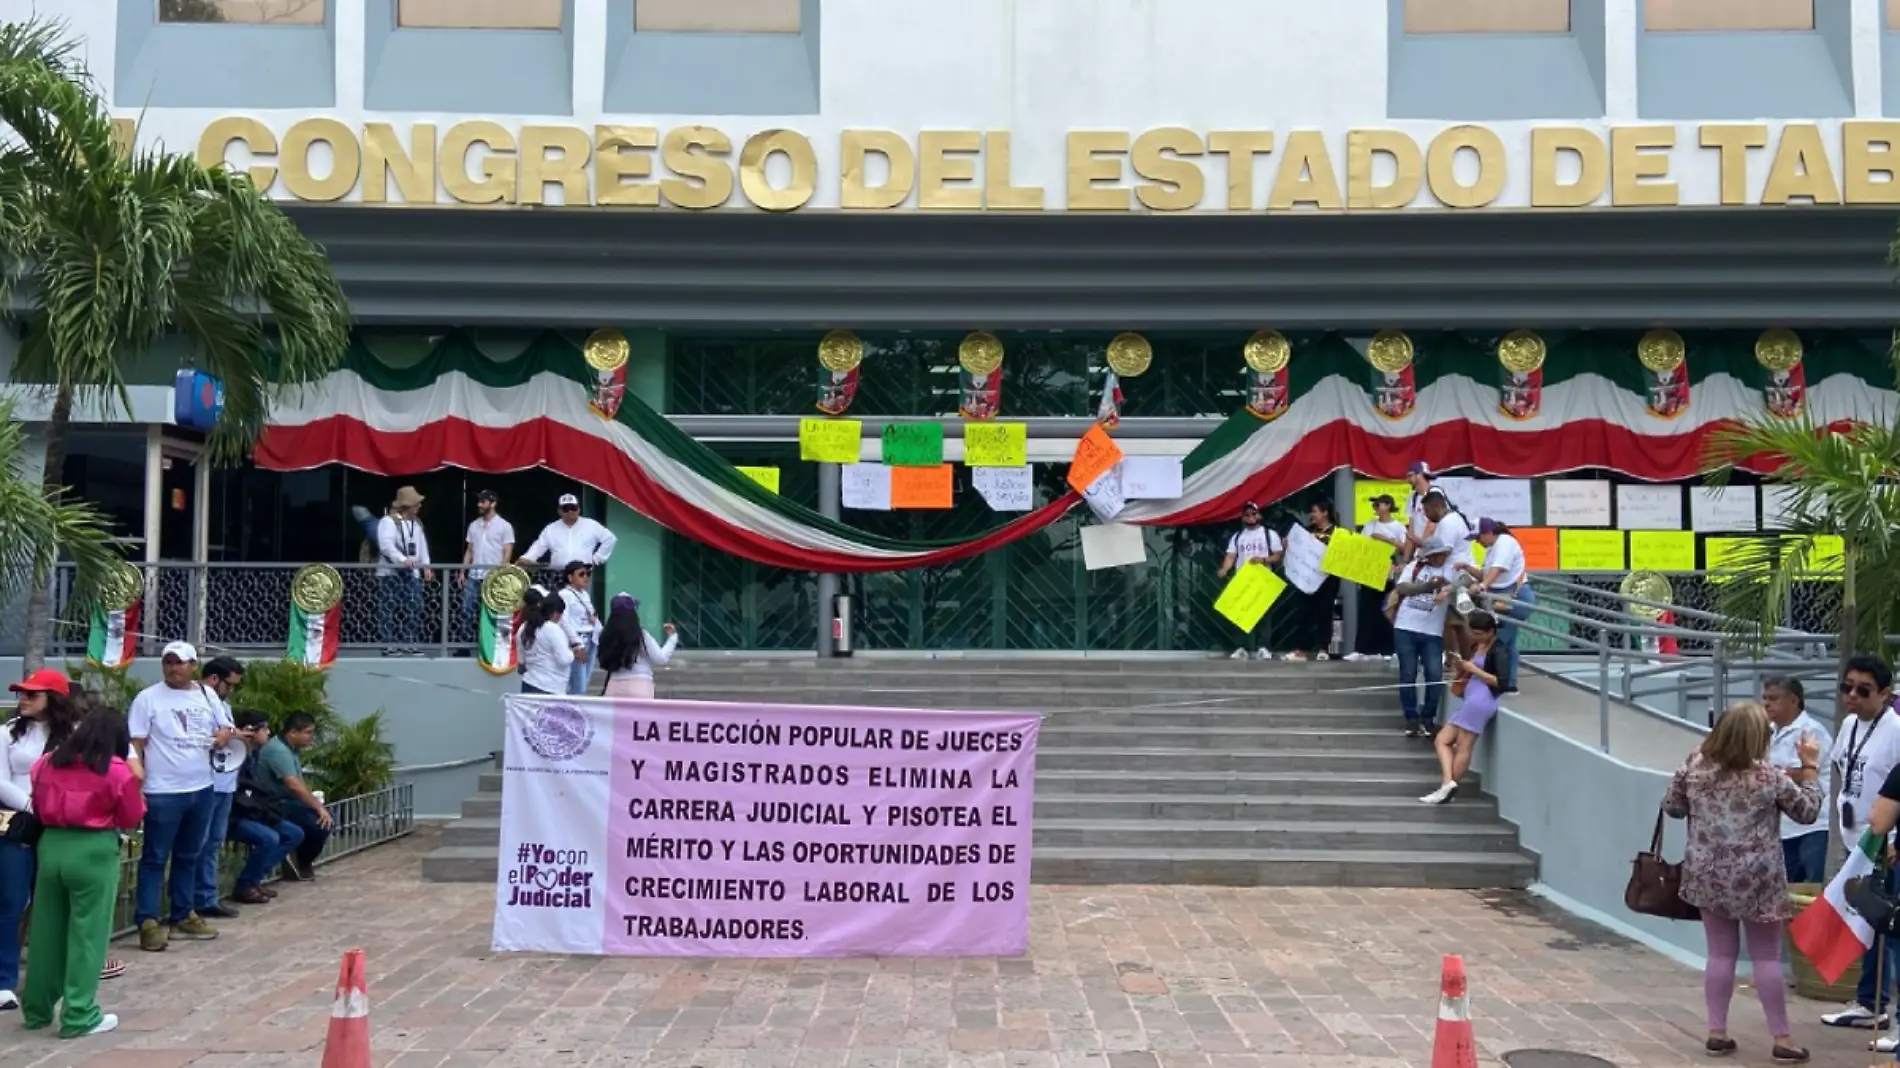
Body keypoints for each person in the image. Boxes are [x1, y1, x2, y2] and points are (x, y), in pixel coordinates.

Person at [1663, 701, 1821, 1064]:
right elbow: (1808, 812)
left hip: (1708, 873)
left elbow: (1672, 806)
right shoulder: (1768, 776)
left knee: (1719, 953)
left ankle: (1716, 1032)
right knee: (1766, 956)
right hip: (1759, 878)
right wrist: (1810, 767)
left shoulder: (1695, 765)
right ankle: (1781, 1038)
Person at [19, 705, 145, 1038]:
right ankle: (78, 1014)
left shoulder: (46, 763)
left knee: (46, 930)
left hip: (51, 845)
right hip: (93, 849)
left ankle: (36, 1009)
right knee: (88, 934)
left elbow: (35, 798)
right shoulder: (116, 771)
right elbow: (132, 816)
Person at [128, 641, 228, 953]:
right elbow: (135, 743)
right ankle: (147, 920)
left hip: (201, 787)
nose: (174, 667)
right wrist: (136, 783)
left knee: (189, 854)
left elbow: (224, 725)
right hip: (163, 791)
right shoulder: (147, 699)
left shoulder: (206, 694)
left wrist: (223, 735)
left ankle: (184, 914)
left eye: (181, 662)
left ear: (193, 665)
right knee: (155, 858)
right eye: (169, 662)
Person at [1822, 655, 1900, 1033]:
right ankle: (1869, 1001)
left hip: (1886, 843)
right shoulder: (1850, 725)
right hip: (1857, 840)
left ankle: (1883, 1008)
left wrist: (1893, 839)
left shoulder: (1896, 730)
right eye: (1846, 687)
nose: (1851, 696)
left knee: (1884, 924)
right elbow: (1841, 768)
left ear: (1885, 694)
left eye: (1862, 690)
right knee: (1866, 920)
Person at [0, 669, 82, 1011]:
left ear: (54, 699)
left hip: (60, 826)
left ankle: (52, 979)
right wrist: (34, 805)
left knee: (54, 906)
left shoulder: (74, 736)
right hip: (18, 824)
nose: (23, 699)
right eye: (21, 693)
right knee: (11, 902)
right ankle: (4, 980)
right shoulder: (7, 733)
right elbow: (1, 781)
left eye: (33, 694)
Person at [1421, 610, 1503, 805]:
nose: (1474, 636)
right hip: (1471, 697)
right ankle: (1448, 784)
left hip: (1481, 700)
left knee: (1464, 746)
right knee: (1442, 740)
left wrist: (1473, 669)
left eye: (1479, 632)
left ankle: (1447, 787)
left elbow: (1501, 681)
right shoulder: (1479, 646)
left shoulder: (1500, 650)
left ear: (1491, 631)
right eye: (1473, 632)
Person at [226, 710, 300, 905]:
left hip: (255, 811)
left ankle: (254, 878)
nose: (268, 732)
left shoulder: (255, 753)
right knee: (269, 838)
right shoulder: (236, 755)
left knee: (293, 833)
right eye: (264, 728)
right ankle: (244, 885)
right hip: (236, 815)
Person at [1762, 677, 1832, 885]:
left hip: (1813, 827)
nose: (1766, 703)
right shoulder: (1770, 731)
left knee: (1812, 888)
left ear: (1793, 701)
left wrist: (1775, 774)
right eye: (1764, 698)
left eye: (1773, 698)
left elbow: (1808, 772)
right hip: (1783, 827)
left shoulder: (1811, 731)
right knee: (1786, 889)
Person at [192, 656, 243, 921]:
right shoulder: (197, 704)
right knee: (198, 842)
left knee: (213, 842)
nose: (231, 690)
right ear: (214, 679)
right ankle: (192, 899)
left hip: (225, 781)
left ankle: (207, 896)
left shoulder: (223, 706)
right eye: (229, 684)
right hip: (205, 781)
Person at [253, 712, 332, 882]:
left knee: (324, 817)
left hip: (286, 801)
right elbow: (293, 784)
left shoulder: (290, 749)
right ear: (293, 732)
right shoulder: (278, 751)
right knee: (320, 824)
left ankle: (299, 857)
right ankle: (301, 862)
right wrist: (318, 807)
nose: (311, 737)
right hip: (273, 803)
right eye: (307, 732)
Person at [1458, 518, 1531, 692]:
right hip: (1500, 596)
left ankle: (1505, 682)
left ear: (1488, 533)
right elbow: (1485, 573)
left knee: (1502, 641)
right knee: (1505, 640)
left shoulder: (1505, 541)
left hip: (1514, 595)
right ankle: (1506, 682)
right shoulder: (1492, 548)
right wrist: (1467, 568)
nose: (1477, 542)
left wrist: (1482, 586)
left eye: (1478, 537)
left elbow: (1498, 569)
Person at [1391, 543, 1453, 738]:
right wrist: (1427, 586)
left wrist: (1448, 587)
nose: (1437, 558)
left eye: (1440, 555)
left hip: (1432, 632)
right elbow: (1402, 587)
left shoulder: (1450, 568)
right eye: (1433, 555)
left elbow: (1467, 579)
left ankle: (1428, 718)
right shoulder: (1415, 567)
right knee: (1407, 674)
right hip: (1406, 627)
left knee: (1434, 674)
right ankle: (1411, 718)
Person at [1214, 501, 1284, 661]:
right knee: (1241, 615)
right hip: (1243, 580)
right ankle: (1242, 647)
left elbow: (1278, 555)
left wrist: (1263, 560)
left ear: (1260, 515)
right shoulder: (1238, 537)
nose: (1250, 517)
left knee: (1264, 616)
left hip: (1263, 579)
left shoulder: (1269, 534)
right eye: (1247, 514)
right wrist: (1224, 569)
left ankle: (1264, 647)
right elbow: (1231, 555)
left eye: (1254, 513)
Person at [375, 485, 433, 657]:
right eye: (416, 503)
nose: (419, 506)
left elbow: (422, 545)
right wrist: (401, 560)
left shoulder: (417, 523)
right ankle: (388, 644)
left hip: (411, 573)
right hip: (391, 573)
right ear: (407, 505)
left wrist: (426, 565)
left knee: (415, 607)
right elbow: (386, 546)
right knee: (388, 608)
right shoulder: (389, 521)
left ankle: (409, 642)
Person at [1347, 494, 1404, 662]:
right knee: (1366, 610)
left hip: (1388, 574)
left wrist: (1385, 539)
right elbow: (1362, 546)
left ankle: (1387, 649)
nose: (1376, 508)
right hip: (1370, 573)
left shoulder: (1398, 527)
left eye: (1378, 504)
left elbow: (1404, 547)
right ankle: (1362, 649)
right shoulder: (1369, 525)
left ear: (1387, 506)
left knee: (1387, 610)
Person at [1283, 499, 1340, 661]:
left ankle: (1323, 648)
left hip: (1328, 580)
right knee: (1304, 614)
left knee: (1325, 613)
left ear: (1325, 513)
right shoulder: (1307, 531)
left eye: (1315, 511)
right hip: (1306, 579)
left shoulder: (1338, 533)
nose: (1312, 515)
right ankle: (1301, 649)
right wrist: (1288, 544)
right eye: (1311, 512)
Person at [458, 489, 515, 647]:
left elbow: (507, 549)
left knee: (492, 611)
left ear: (493, 503)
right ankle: (465, 644)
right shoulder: (474, 525)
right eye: (479, 501)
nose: (480, 505)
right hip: (474, 575)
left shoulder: (504, 526)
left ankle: (490, 645)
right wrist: (463, 570)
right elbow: (469, 550)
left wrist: (502, 570)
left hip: (493, 576)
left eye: (483, 502)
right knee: (467, 610)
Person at [599, 594, 679, 700]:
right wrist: (672, 637)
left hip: (613, 687)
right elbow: (661, 658)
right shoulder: (641, 635)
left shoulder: (606, 635)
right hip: (640, 687)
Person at [517, 493, 616, 571]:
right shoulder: (551, 528)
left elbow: (610, 539)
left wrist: (596, 559)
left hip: (582, 574)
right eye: (566, 508)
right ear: (559, 511)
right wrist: (527, 558)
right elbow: (539, 546)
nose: (570, 512)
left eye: (573, 508)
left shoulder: (591, 525)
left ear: (579, 509)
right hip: (557, 573)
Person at [518, 592, 577, 696]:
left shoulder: (524, 627)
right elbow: (564, 659)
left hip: (528, 684)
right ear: (555, 613)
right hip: (550, 687)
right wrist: (572, 652)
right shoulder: (553, 629)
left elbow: (521, 660)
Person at [557, 560, 601, 695]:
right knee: (578, 685)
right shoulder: (565, 594)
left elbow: (592, 616)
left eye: (587, 574)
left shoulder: (585, 594)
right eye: (581, 574)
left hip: (591, 638)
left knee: (584, 681)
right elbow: (563, 620)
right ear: (570, 577)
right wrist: (575, 642)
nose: (586, 577)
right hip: (578, 639)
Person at [1402, 460, 1440, 557]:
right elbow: (1411, 530)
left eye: (1410, 476)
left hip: (1435, 549)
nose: (1408, 480)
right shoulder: (1413, 497)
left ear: (1419, 475)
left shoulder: (1435, 492)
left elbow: (1432, 524)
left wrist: (1422, 543)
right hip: (1420, 550)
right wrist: (1405, 560)